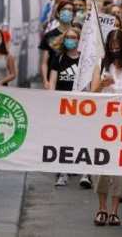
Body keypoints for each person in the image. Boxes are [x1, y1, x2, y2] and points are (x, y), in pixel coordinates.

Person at [91, 29, 122, 226]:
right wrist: (102, 84)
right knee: (101, 165)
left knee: (120, 167)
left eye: (117, 44)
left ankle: (114, 211)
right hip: (103, 123)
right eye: (111, 44)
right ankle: (101, 208)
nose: (114, 47)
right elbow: (91, 94)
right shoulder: (100, 64)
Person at [47, 27, 83, 187]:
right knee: (63, 138)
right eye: (68, 37)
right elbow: (52, 82)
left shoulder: (84, 59)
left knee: (79, 137)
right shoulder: (59, 58)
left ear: (79, 40)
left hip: (81, 106)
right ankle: (62, 172)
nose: (70, 40)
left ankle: (81, 170)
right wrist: (51, 101)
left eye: (74, 37)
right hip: (62, 105)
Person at [39, 0, 75, 89]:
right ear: (58, 13)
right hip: (53, 82)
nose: (67, 12)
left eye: (70, 10)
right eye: (64, 9)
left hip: (73, 81)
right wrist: (45, 81)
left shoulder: (79, 34)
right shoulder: (49, 36)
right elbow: (44, 62)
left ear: (73, 15)